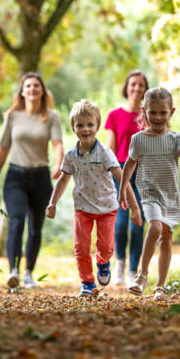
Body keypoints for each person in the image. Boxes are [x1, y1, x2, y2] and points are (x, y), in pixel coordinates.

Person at [118, 86, 180, 300]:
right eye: (153, 112)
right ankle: (141, 275)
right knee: (155, 227)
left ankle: (160, 286)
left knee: (167, 237)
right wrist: (123, 189)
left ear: (172, 112)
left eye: (163, 112)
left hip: (170, 194)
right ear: (144, 112)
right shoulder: (139, 139)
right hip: (149, 192)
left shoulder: (176, 138)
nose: (158, 117)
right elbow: (129, 165)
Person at [0, 72, 64, 289]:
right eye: (28, 86)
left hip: (41, 177)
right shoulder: (13, 116)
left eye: (36, 86)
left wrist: (58, 164)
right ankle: (13, 270)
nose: (32, 89)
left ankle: (29, 273)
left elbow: (57, 143)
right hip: (15, 177)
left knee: (35, 228)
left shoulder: (52, 116)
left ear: (42, 91)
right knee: (16, 221)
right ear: (22, 91)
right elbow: (3, 148)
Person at [46, 99, 122, 298]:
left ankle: (103, 262)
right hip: (82, 207)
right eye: (80, 125)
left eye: (90, 124)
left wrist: (127, 198)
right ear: (73, 127)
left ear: (97, 126)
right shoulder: (71, 155)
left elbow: (120, 177)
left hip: (107, 207)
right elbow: (63, 180)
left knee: (106, 247)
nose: (85, 129)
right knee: (80, 247)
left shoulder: (105, 153)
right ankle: (87, 282)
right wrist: (52, 202)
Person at [104, 69, 148, 286]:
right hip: (120, 172)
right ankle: (119, 262)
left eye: (141, 85)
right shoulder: (114, 115)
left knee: (138, 223)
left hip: (143, 173)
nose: (137, 88)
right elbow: (110, 148)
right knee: (121, 224)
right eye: (133, 84)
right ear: (127, 87)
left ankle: (133, 270)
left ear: (145, 89)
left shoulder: (149, 117)